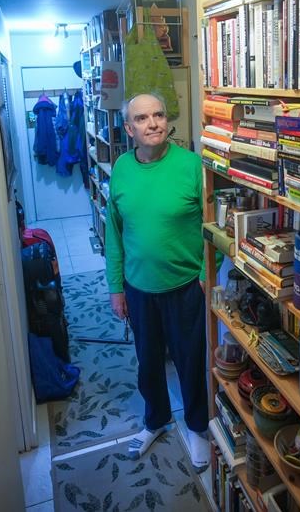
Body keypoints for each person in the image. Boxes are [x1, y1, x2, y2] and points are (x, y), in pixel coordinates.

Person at [104, 92, 210, 471]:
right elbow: (114, 233)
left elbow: (212, 224)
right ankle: (156, 420)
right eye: (143, 118)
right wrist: (116, 287)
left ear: (167, 120)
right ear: (129, 128)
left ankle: (198, 427)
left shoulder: (191, 165)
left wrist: (204, 273)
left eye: (159, 115)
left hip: (185, 287)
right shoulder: (121, 169)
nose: (153, 123)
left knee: (190, 361)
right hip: (139, 288)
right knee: (148, 362)